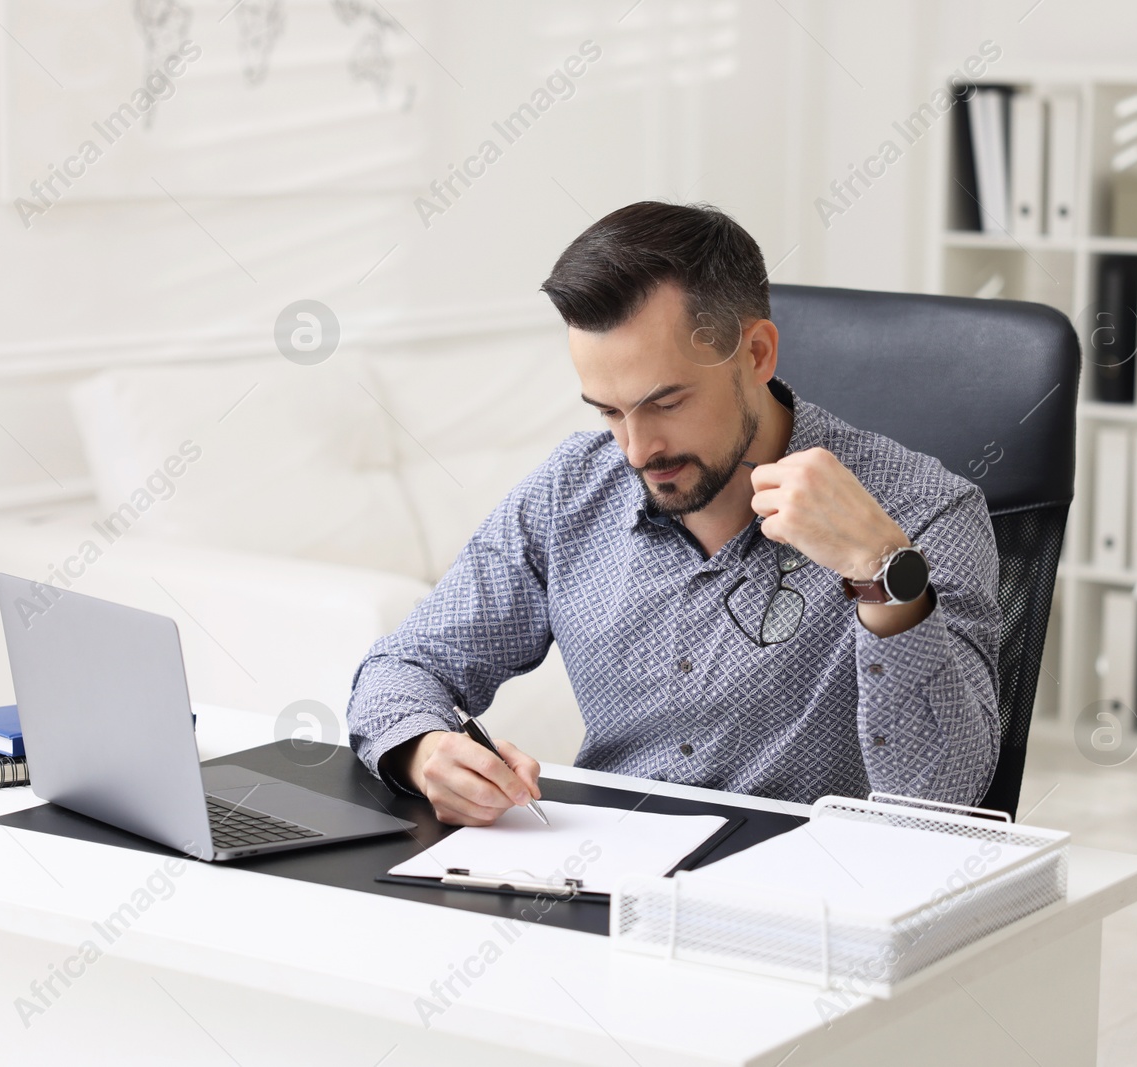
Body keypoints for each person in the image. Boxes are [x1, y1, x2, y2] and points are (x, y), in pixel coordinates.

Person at [347, 201, 1000, 825]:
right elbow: (400, 669)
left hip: (803, 911)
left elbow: (941, 806)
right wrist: (428, 752)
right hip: (600, 887)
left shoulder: (923, 509)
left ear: (756, 355)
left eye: (666, 402)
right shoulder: (570, 491)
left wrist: (882, 574)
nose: (635, 448)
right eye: (607, 410)